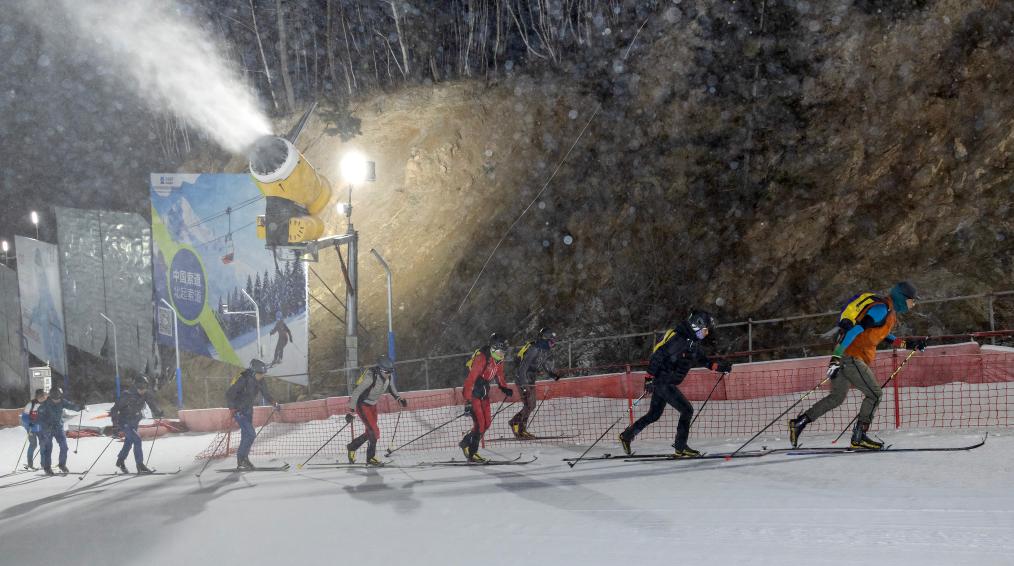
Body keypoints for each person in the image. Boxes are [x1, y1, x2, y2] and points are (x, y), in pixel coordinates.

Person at [790, 281, 925, 450]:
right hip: (851, 357)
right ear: (902, 298)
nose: (913, 304)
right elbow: (853, 330)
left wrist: (910, 345)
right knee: (875, 394)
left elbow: (886, 337)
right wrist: (836, 357)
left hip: (849, 357)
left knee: (836, 398)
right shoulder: (881, 309)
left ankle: (799, 423)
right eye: (912, 300)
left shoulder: (889, 313)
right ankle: (859, 436)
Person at [618, 311, 732, 457]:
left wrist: (721, 367)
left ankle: (626, 436)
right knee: (687, 410)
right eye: (705, 329)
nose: (707, 333)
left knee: (653, 415)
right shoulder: (680, 340)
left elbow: (706, 361)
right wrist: (649, 378)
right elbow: (657, 356)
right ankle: (680, 447)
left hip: (665, 382)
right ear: (696, 325)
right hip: (663, 382)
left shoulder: (692, 344)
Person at [346, 355, 407, 466]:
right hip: (362, 405)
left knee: (370, 432)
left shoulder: (388, 376)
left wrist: (399, 398)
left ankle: (352, 447)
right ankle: (371, 457)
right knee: (374, 432)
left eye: (390, 371)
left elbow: (392, 388)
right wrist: (351, 411)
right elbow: (356, 392)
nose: (388, 374)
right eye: (386, 371)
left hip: (373, 405)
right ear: (380, 369)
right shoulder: (371, 377)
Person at [459, 336, 513, 462]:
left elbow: (499, 374)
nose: (502, 354)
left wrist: (504, 387)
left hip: (484, 393)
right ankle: (473, 453)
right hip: (474, 393)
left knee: (487, 423)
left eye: (504, 352)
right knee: (480, 425)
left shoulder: (498, 360)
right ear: (493, 349)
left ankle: (465, 442)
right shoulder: (482, 358)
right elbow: (470, 380)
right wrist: (467, 402)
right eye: (500, 351)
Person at [225, 359, 280, 470]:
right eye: (260, 374)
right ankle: (242, 458)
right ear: (254, 372)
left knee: (246, 435)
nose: (262, 376)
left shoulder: (261, 380)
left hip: (248, 410)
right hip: (239, 410)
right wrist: (232, 408)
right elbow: (229, 394)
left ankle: (243, 459)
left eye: (263, 374)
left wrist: (274, 402)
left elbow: (266, 393)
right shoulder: (243, 379)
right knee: (251, 434)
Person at [508, 328, 563, 438]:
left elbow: (542, 364)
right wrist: (523, 386)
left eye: (554, 342)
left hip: (530, 380)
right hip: (523, 380)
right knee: (529, 405)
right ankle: (515, 423)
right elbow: (522, 369)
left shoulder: (542, 350)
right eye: (551, 342)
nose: (553, 344)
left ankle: (521, 429)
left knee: (531, 405)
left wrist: (552, 375)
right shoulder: (534, 349)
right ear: (545, 339)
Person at [109, 375, 164, 474]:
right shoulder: (127, 395)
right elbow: (114, 410)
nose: (143, 390)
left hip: (134, 422)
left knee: (129, 442)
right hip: (124, 422)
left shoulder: (145, 394)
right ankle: (140, 464)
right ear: (136, 386)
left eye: (145, 387)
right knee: (137, 439)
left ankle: (120, 460)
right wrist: (115, 425)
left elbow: (151, 404)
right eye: (141, 387)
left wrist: (158, 412)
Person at [36, 387, 83, 475]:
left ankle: (62, 464)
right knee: (48, 448)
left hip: (58, 428)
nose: (58, 400)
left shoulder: (62, 401)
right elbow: (40, 420)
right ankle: (47, 467)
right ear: (52, 397)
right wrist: (46, 427)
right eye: (56, 399)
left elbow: (71, 405)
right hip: (48, 430)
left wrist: (80, 407)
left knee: (64, 447)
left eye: (59, 398)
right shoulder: (44, 406)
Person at [20, 389, 47, 470]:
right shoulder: (30, 404)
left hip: (41, 429)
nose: (42, 398)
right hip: (31, 428)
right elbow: (24, 417)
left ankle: (44, 464)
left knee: (43, 445)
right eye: (40, 396)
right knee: (33, 445)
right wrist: (29, 423)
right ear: (37, 396)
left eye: (43, 396)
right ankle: (30, 464)